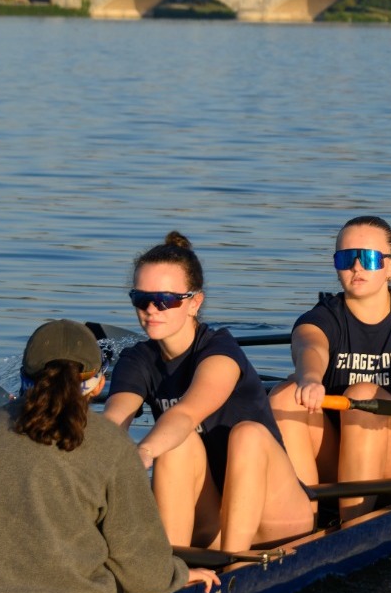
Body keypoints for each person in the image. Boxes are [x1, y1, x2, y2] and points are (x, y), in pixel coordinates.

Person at [0, 319, 218, 593]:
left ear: (24, 378)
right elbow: (143, 576)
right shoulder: (111, 443)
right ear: (99, 384)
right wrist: (175, 575)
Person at [104, 233, 312, 553]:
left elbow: (186, 413)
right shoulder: (137, 360)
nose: (150, 310)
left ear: (194, 302)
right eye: (140, 298)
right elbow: (112, 424)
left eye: (165, 299)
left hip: (276, 520)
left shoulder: (220, 351)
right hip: (212, 518)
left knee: (246, 435)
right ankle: (170, 573)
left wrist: (144, 453)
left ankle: (235, 566)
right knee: (176, 443)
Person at [270, 216, 391, 522]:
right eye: (346, 258)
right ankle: (306, 523)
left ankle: (351, 524)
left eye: (368, 258)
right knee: (284, 395)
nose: (356, 267)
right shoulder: (324, 315)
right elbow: (309, 346)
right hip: (342, 455)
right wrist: (310, 378)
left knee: (362, 396)